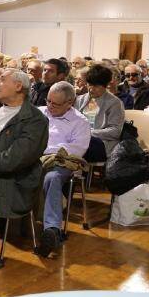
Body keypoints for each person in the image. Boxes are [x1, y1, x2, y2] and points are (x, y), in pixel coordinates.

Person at [0, 69, 48, 220]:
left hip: (3, 176)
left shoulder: (35, 119)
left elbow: (18, 156)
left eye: (2, 80)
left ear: (18, 86)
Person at [37, 82, 91, 257]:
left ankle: (52, 230)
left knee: (51, 178)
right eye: (48, 101)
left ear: (70, 103)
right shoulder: (39, 112)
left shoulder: (80, 122)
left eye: (56, 103)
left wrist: (49, 152)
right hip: (35, 159)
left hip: (62, 163)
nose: (50, 106)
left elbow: (76, 150)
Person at [74, 64, 124, 163]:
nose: (91, 89)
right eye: (89, 84)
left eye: (96, 86)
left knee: (83, 145)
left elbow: (115, 131)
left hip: (101, 144)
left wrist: (88, 134)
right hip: (80, 140)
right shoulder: (80, 100)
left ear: (106, 85)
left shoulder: (115, 103)